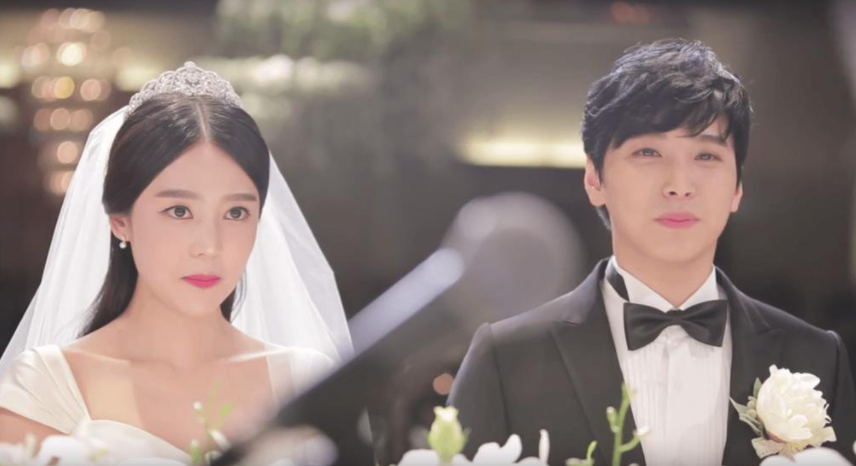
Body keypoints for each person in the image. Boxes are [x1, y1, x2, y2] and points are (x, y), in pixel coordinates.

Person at [447, 39, 856, 466]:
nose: (679, 185)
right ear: (594, 179)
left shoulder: (815, 359)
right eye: (648, 152)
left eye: (706, 155)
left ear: (737, 187)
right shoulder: (507, 359)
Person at [0, 63, 352, 462]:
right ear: (120, 221)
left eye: (236, 213)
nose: (210, 246)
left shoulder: (306, 382)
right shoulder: (45, 389)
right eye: (180, 211)